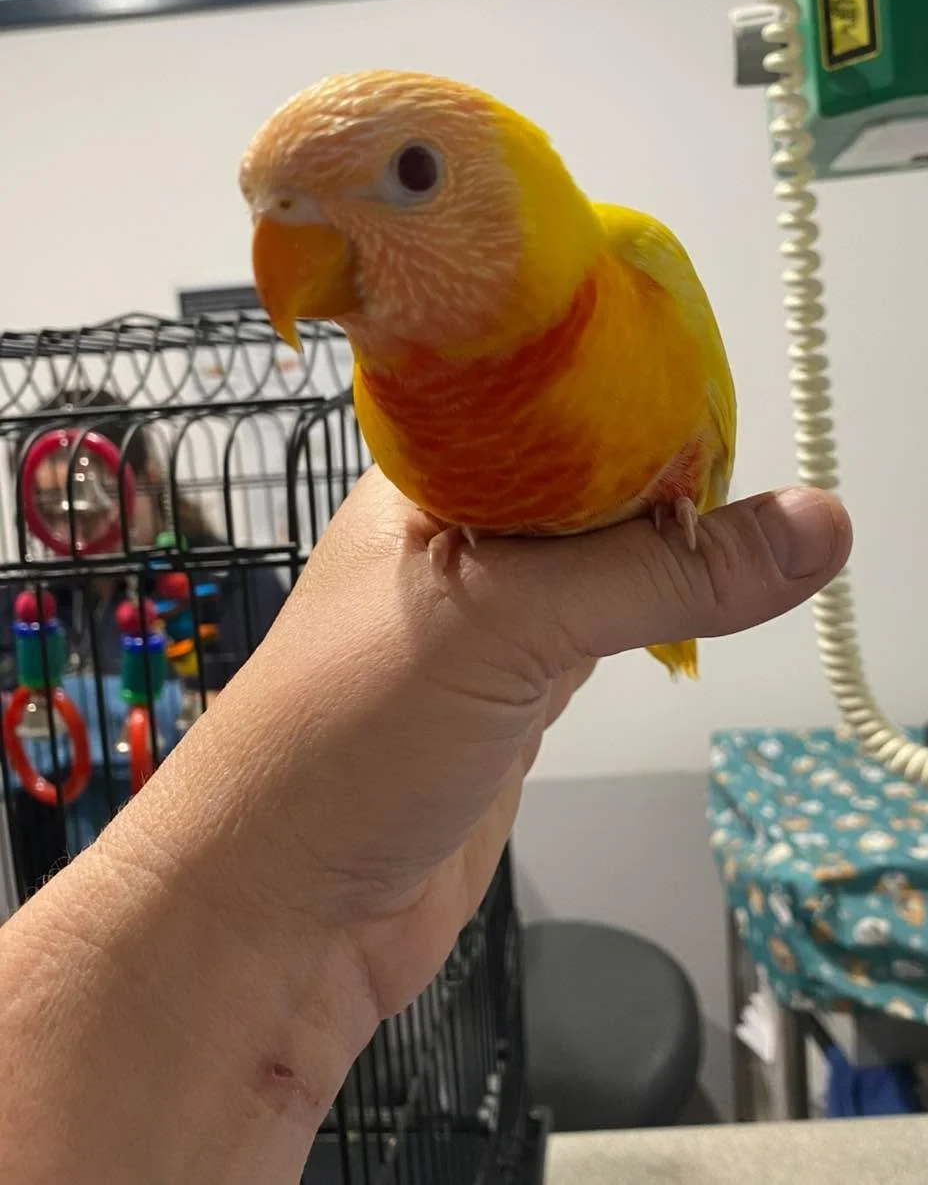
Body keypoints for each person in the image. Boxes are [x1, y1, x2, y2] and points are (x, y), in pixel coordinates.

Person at [0, 468, 850, 1183]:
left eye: (91, 482)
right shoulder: (38, 603)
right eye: (49, 492)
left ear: (144, 482)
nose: (76, 507)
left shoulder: (223, 581)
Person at [0, 386, 289, 882]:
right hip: (59, 874)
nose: (76, 530)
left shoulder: (233, 582)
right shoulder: (28, 603)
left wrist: (67, 717)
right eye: (52, 510)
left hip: (213, 863)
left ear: (147, 482)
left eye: (93, 503)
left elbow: (274, 725)